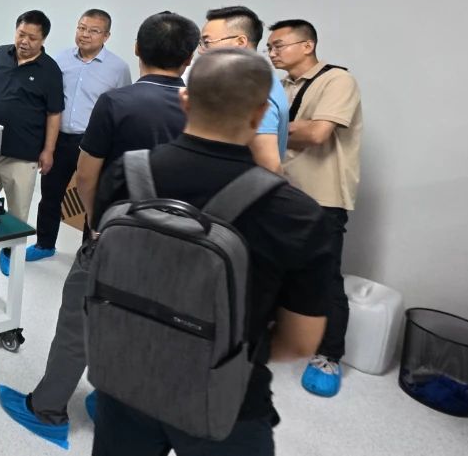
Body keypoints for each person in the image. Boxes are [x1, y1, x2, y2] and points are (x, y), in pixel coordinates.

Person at [90, 49, 335, 456]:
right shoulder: (295, 214)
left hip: (124, 378)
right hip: (225, 402)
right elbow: (300, 343)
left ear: (184, 100)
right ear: (261, 113)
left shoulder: (126, 174)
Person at [0, 11, 200, 449]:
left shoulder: (119, 101)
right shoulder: (204, 108)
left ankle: (47, 410)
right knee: (137, 330)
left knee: (78, 323)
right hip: (175, 246)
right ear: (189, 57)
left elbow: (87, 176)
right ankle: (111, 404)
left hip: (117, 236)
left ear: (136, 48)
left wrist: (94, 224)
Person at [267, 19, 363, 399]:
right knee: (273, 268)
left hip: (322, 198)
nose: (272, 52)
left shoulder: (337, 80)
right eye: (269, 47)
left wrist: (265, 126)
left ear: (307, 46)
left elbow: (318, 133)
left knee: (324, 278)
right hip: (279, 191)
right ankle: (277, 333)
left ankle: (328, 356)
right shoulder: (279, 86)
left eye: (278, 45)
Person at [28, 9, 131, 265]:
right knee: (50, 194)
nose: (85, 34)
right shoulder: (60, 59)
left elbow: (123, 107)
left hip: (94, 143)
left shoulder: (118, 68)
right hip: (60, 139)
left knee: (92, 199)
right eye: (81, 28)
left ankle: (88, 251)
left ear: (106, 36)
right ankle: (44, 244)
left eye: (93, 31)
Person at [0, 10, 64, 276]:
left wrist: (48, 150)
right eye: (21, 34)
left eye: (32, 38)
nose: (24, 41)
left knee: (17, 212)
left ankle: (8, 252)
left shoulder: (50, 70)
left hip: (24, 153)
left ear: (43, 39)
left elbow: (54, 114)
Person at [200, 6, 288, 172]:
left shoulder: (252, 89)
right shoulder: (254, 80)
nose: (201, 51)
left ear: (240, 42)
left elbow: (269, 165)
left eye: (207, 42)